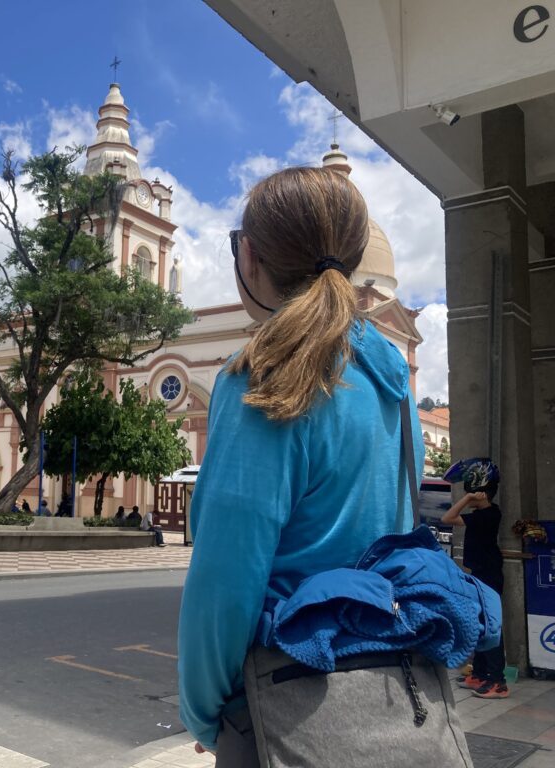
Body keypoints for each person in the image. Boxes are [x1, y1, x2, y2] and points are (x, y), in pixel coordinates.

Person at [177, 166, 427, 760]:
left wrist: (207, 714)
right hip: (387, 696)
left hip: (284, 705)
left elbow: (225, 583)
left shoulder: (262, 378)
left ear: (250, 256)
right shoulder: (393, 386)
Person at [442, 458, 507, 698]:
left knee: (491, 626)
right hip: (480, 574)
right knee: (481, 624)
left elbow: (447, 518)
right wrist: (470, 499)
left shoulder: (489, 514)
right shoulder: (481, 514)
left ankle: (498, 682)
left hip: (489, 575)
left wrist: (468, 498)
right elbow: (449, 518)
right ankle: (480, 674)